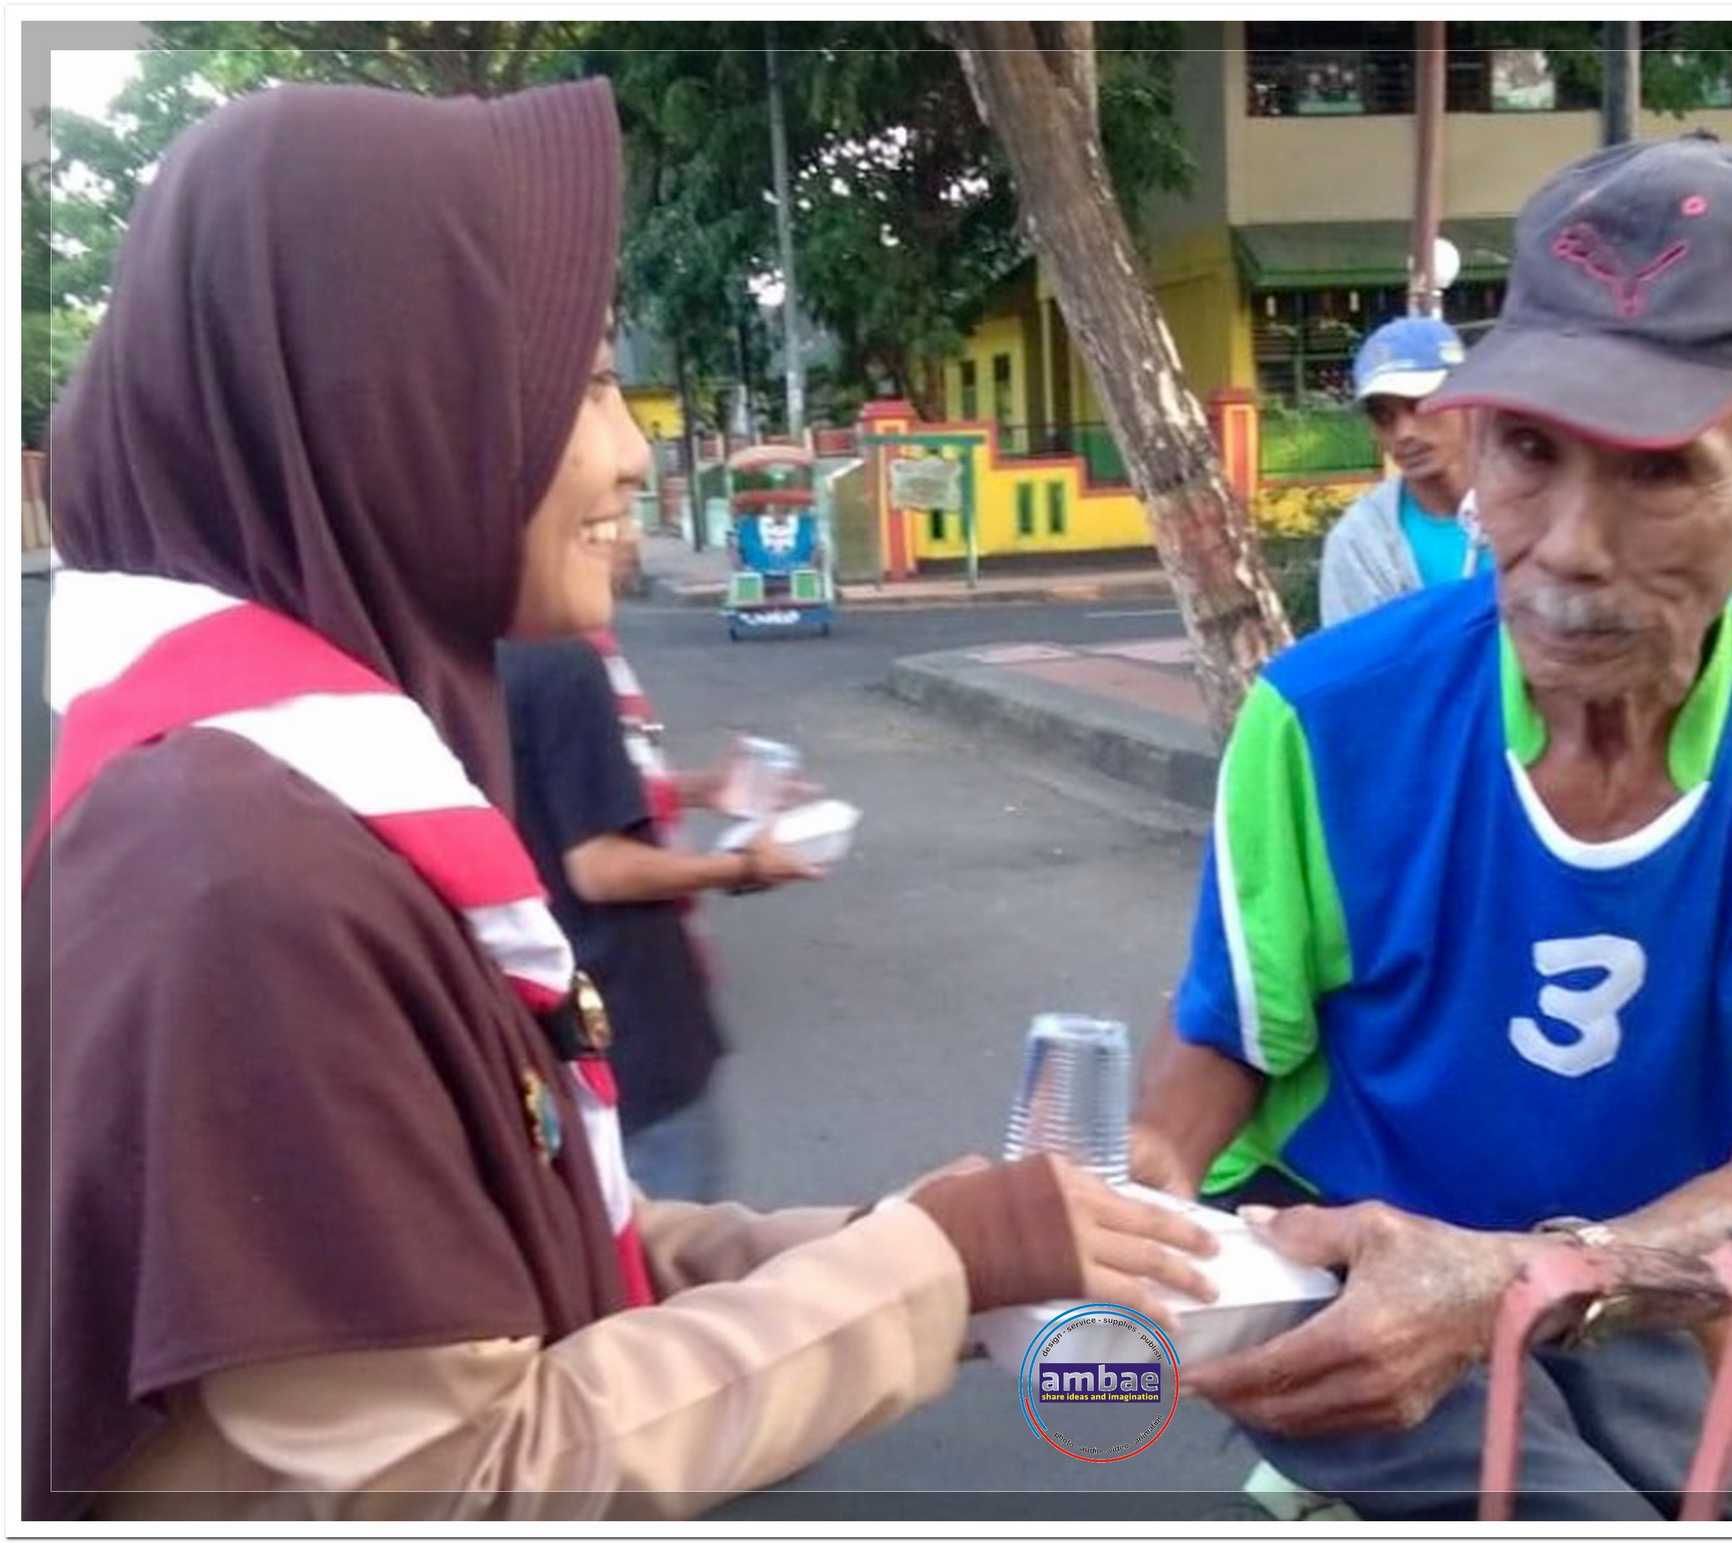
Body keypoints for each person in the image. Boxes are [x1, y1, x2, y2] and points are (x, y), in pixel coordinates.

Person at [25, 79, 1215, 1520]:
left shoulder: (303, 789)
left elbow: (513, 1257)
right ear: (389, 394)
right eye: (579, 383)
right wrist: (940, 1258)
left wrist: (959, 1245)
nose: (635, 452)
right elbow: (459, 1473)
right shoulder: (233, 868)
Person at [1131, 134, 1732, 1519]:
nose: (1569, 540)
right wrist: (1137, 1199)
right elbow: (1228, 1031)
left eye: (1655, 473)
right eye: (1527, 450)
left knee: (1689, 1492)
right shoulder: (1325, 715)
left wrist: (1510, 1277)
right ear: (1470, 453)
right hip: (1327, 1237)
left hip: (1618, 1263)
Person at [498, 629, 816, 1203]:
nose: (621, 541)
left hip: (577, 1013)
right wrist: (742, 866)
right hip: (633, 1014)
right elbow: (596, 865)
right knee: (685, 1246)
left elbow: (575, 796)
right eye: (591, 534)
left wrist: (701, 788)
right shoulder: (562, 660)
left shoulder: (503, 651)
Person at [1317, 315, 1481, 626]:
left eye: (1419, 404)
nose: (1403, 433)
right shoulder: (1359, 542)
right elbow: (1361, 664)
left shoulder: (1533, 506)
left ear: (1467, 396)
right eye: (1383, 416)